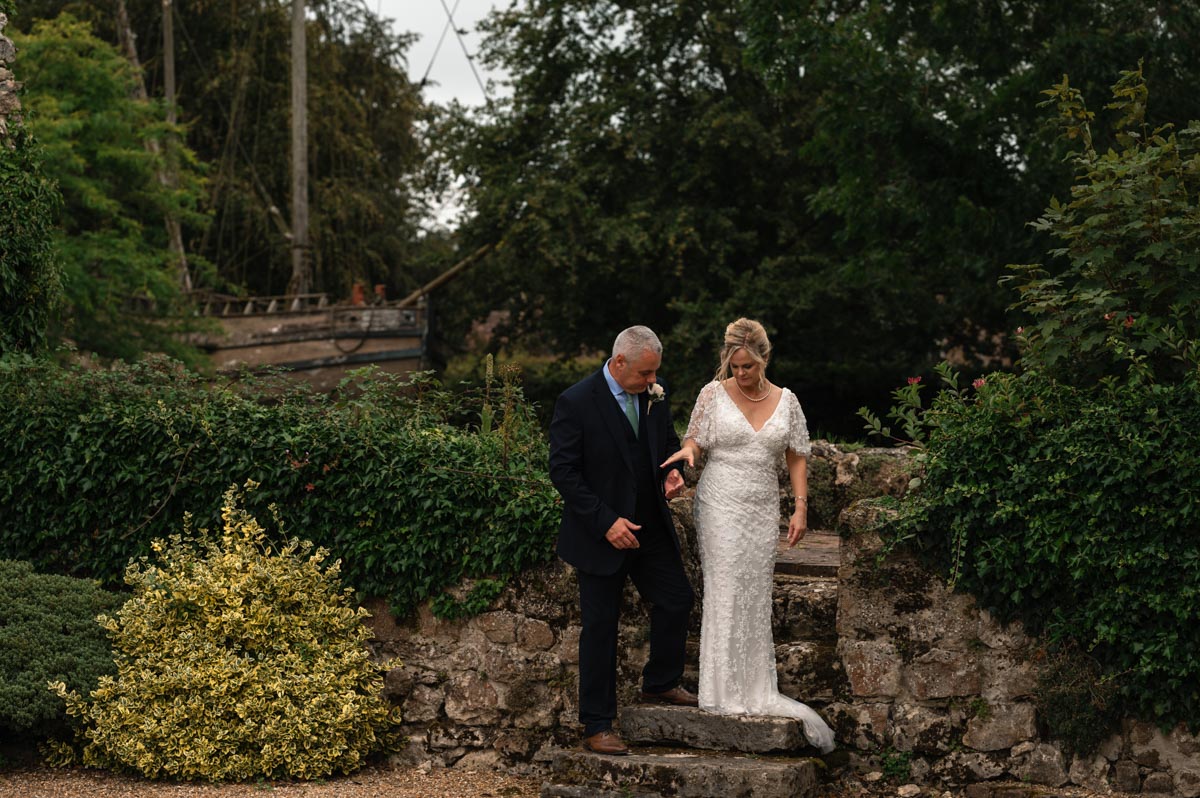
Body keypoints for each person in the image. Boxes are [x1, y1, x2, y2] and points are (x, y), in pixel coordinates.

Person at [660, 318, 836, 754]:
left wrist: (800, 507)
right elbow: (695, 439)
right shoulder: (712, 393)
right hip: (719, 501)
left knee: (754, 591)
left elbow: (797, 456)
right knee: (726, 586)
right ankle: (720, 689)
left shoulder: (787, 401)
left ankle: (755, 685)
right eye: (735, 366)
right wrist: (687, 453)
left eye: (748, 366)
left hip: (762, 507)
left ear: (764, 359)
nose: (740, 373)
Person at [549, 325, 697, 756]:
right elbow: (564, 472)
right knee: (600, 628)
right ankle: (597, 725)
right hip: (600, 535)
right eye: (644, 373)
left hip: (649, 529)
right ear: (618, 363)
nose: (652, 381)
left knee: (677, 599)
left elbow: (667, 444)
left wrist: (672, 472)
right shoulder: (576, 401)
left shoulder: (653, 396)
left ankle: (660, 682)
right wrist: (605, 522)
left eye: (654, 373)